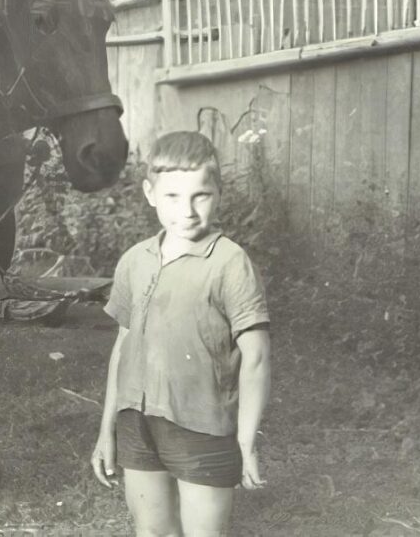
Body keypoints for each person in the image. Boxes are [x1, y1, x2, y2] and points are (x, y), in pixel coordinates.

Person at [91, 131, 272, 537]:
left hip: (201, 424)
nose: (186, 211)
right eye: (172, 196)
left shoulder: (229, 262)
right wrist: (107, 429)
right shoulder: (135, 260)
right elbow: (123, 345)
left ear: (219, 193)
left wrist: (246, 442)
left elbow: (257, 357)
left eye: (200, 196)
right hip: (137, 421)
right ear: (150, 193)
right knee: (152, 532)